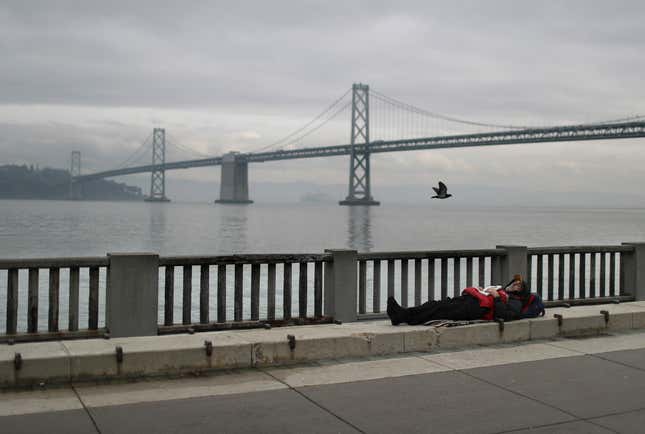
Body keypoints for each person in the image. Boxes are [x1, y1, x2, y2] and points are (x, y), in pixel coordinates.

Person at [387, 274, 530, 326]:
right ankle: (402, 314)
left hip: (476, 309)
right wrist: (483, 290)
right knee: (435, 304)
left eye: (519, 285)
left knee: (438, 310)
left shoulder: (516, 302)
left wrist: (497, 297)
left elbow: (506, 316)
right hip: (470, 301)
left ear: (521, 292)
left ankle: (402, 316)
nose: (515, 284)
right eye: (515, 282)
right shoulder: (502, 291)